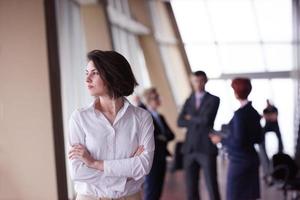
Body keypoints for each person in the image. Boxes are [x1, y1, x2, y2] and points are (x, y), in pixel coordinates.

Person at [68, 50, 155, 200]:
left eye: (94, 73)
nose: (87, 79)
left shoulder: (142, 118)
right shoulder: (80, 118)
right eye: (86, 72)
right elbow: (78, 171)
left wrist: (94, 163)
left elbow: (144, 165)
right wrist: (125, 175)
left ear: (113, 74)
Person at [210, 78, 263, 200]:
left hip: (239, 161)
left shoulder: (239, 114)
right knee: (250, 196)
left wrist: (220, 140)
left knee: (233, 195)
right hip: (252, 159)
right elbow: (259, 138)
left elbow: (238, 142)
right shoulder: (254, 112)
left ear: (236, 92)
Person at [177, 71, 220, 200]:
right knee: (191, 189)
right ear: (192, 81)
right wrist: (196, 119)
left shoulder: (214, 99)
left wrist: (189, 118)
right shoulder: (189, 100)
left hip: (206, 148)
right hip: (190, 149)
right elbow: (179, 121)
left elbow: (206, 120)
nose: (198, 84)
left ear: (206, 81)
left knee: (212, 186)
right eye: (196, 81)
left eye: (201, 80)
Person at [142, 87, 175, 200]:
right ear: (149, 100)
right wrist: (161, 137)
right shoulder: (145, 117)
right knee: (151, 190)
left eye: (158, 97)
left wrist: (161, 137)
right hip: (151, 159)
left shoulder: (160, 116)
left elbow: (171, 135)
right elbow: (149, 138)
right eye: (156, 97)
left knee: (158, 190)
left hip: (162, 157)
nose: (159, 99)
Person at [259, 99, 284, 183]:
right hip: (268, 126)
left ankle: (280, 151)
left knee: (280, 139)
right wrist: (269, 116)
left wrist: (269, 116)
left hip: (274, 126)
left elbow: (274, 118)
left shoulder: (274, 109)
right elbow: (267, 117)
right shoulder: (265, 110)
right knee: (260, 137)